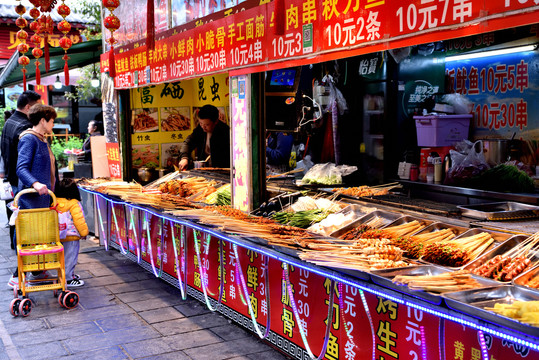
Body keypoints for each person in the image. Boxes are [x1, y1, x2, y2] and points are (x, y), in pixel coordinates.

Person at [7, 104, 57, 288]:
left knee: (40, 237)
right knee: (28, 238)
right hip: (31, 199)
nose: (53, 123)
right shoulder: (30, 139)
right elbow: (21, 168)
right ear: (43, 120)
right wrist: (35, 183)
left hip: (43, 198)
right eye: (52, 120)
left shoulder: (42, 139)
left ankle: (36, 270)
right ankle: (16, 275)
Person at [1, 91, 41, 248]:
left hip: (13, 178)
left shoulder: (9, 121)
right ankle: (24, 257)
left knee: (16, 216)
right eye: (38, 107)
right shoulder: (25, 126)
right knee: (25, 219)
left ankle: (17, 248)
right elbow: (24, 161)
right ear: (28, 107)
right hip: (23, 180)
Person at [55, 178, 88, 287]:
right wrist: (84, 233)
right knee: (70, 257)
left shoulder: (54, 201)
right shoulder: (74, 203)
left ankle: (63, 275)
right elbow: (79, 220)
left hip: (58, 235)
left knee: (61, 258)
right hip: (71, 236)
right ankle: (68, 279)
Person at [179, 104, 230, 170]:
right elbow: (188, 142)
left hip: (222, 171)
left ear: (216, 121)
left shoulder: (225, 132)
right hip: (204, 170)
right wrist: (184, 158)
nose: (203, 127)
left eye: (207, 125)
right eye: (201, 123)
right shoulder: (200, 129)